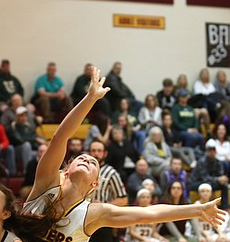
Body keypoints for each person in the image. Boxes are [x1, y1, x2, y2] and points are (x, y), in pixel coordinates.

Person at [21, 68, 225, 242]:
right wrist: (90, 98)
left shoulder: (93, 213)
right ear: (66, 170)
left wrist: (197, 210)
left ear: (95, 184)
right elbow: (59, 137)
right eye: (81, 158)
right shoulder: (47, 182)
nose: (86, 159)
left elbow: (149, 213)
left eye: (93, 163)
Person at [88, 141, 127, 242]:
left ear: (105, 154)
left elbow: (123, 199)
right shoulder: (82, 170)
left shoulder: (111, 173)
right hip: (83, 217)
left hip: (102, 220)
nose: (96, 153)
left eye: (99, 151)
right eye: (93, 150)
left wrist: (103, 205)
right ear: (89, 153)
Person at [189, 139, 229, 210]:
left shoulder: (218, 162)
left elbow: (220, 174)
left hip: (210, 182)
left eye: (213, 151)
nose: (211, 153)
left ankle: (225, 207)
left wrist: (223, 179)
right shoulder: (202, 161)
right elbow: (205, 178)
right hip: (197, 182)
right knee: (207, 184)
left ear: (216, 152)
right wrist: (218, 179)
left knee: (224, 186)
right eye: (210, 151)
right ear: (206, 152)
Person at [7, 106, 46, 172]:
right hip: (17, 150)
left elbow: (33, 137)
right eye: (21, 116)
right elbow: (20, 140)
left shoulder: (27, 126)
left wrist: (40, 144)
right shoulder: (13, 126)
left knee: (42, 149)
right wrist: (35, 139)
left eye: (25, 116)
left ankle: (44, 171)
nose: (24, 118)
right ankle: (27, 170)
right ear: (17, 117)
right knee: (26, 145)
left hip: (29, 150)